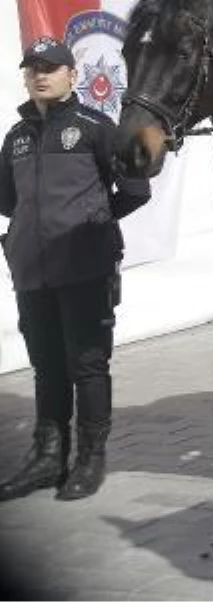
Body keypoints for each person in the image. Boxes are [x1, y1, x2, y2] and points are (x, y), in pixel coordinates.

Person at [0, 37, 151, 502]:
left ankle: (89, 459)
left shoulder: (95, 127)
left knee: (87, 364)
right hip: (33, 270)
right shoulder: (17, 136)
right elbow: (6, 199)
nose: (40, 75)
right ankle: (48, 458)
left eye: (50, 68)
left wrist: (91, 222)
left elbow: (135, 187)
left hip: (85, 267)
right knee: (46, 366)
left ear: (72, 74)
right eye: (33, 69)